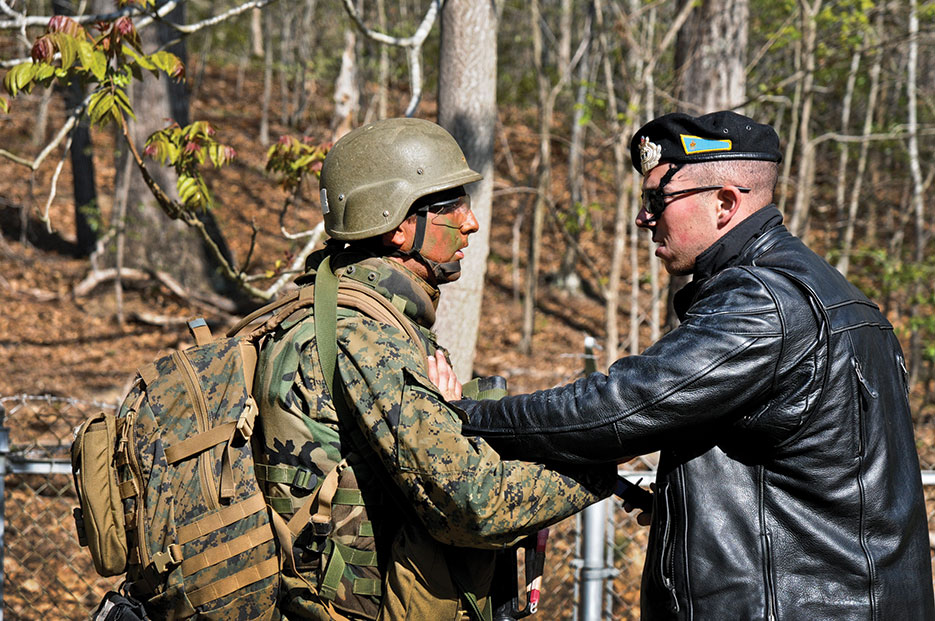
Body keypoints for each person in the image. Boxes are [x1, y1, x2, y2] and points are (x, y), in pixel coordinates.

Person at [453, 111, 935, 619]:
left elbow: (619, 408)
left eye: (656, 200)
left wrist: (464, 414)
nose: (644, 218)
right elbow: (811, 476)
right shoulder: (837, 296)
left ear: (725, 203)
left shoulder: (762, 300)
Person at [253, 117, 615, 621]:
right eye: (451, 206)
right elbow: (471, 502)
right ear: (398, 226)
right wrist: (598, 470)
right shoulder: (365, 335)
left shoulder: (332, 307)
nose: (471, 222)